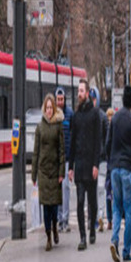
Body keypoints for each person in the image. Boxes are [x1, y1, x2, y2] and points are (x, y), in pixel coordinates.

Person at [106, 85, 131, 262]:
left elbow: (107, 143)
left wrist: (111, 163)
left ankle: (113, 240)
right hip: (127, 168)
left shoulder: (115, 119)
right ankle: (126, 251)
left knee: (116, 208)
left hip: (114, 168)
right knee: (128, 209)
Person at [68, 79, 101, 251]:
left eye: (81, 91)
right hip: (79, 166)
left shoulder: (94, 114)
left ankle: (92, 229)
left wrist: (96, 164)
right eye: (78, 91)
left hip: (91, 166)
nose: (79, 94)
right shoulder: (76, 115)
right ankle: (82, 236)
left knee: (92, 202)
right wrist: (70, 166)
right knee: (80, 202)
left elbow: (98, 142)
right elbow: (72, 142)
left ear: (87, 93)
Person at [31, 93, 65, 252]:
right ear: (45, 109)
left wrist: (61, 172)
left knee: (54, 208)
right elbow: (36, 151)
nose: (50, 110)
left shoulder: (58, 126)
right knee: (46, 207)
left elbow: (61, 151)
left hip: (55, 171)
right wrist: (33, 174)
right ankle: (49, 236)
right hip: (43, 172)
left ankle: (55, 226)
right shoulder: (40, 127)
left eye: (52, 108)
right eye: (48, 108)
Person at [90, 87, 109, 233]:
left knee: (99, 188)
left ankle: (99, 216)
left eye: (93, 99)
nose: (92, 101)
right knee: (94, 190)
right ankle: (96, 216)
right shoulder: (92, 116)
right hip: (93, 159)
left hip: (101, 159)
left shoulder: (101, 117)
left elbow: (107, 138)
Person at [55, 87, 73, 233]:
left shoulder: (69, 114)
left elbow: (72, 137)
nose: (60, 102)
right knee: (57, 189)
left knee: (65, 189)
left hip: (67, 158)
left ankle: (65, 219)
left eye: (61, 99)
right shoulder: (53, 115)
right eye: (58, 100)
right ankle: (59, 218)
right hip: (56, 159)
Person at [105, 107, 115, 229]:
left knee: (115, 193)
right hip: (108, 164)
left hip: (114, 164)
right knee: (108, 193)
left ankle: (113, 218)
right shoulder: (107, 129)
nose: (110, 118)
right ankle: (109, 219)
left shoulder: (115, 130)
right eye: (109, 116)